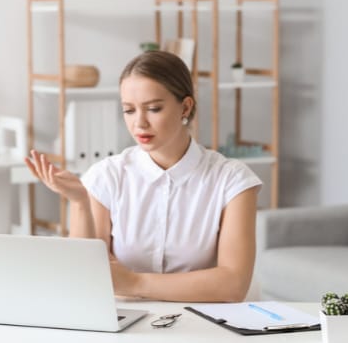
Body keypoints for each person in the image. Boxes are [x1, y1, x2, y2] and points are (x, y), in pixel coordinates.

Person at [25, 50, 262, 303]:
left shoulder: (232, 181)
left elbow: (233, 285)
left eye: (153, 109)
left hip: (203, 325)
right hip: (122, 324)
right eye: (128, 110)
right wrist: (80, 202)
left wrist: (133, 281)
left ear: (185, 107)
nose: (139, 123)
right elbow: (83, 278)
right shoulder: (106, 176)